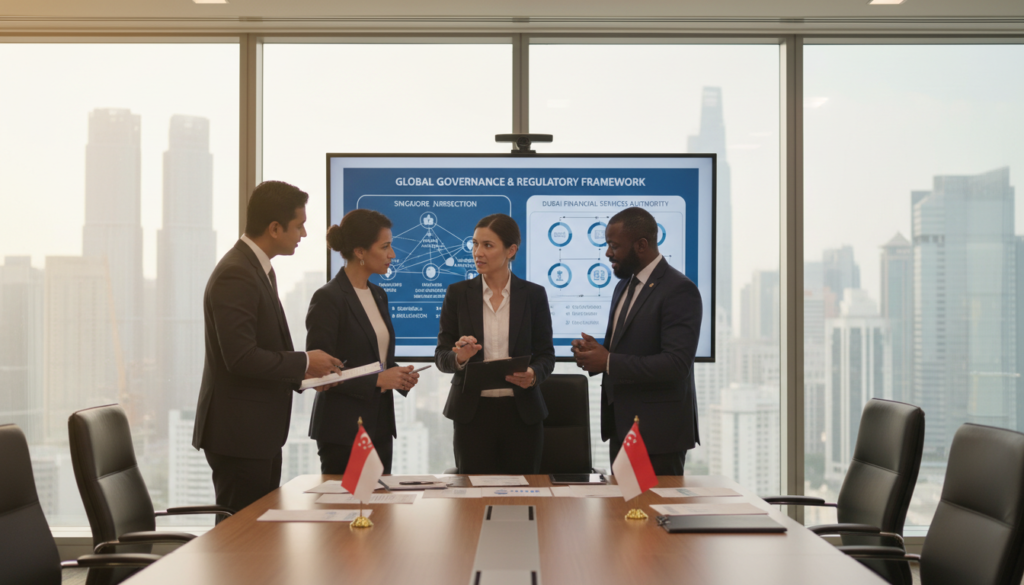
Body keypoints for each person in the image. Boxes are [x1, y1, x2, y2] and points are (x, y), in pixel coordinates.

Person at [193, 180, 343, 513]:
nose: (304, 234)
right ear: (274, 228)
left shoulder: (257, 268)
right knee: (240, 535)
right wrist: (305, 362)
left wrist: (307, 376)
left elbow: (261, 348)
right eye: (299, 226)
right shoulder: (237, 273)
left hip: (255, 433)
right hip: (239, 435)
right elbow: (241, 357)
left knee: (256, 530)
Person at [572, 207, 702, 476]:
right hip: (622, 428)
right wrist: (594, 353)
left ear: (641, 245)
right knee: (622, 503)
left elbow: (676, 364)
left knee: (651, 505)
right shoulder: (623, 285)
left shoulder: (679, 289)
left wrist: (608, 361)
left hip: (657, 436)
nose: (607, 253)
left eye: (614, 246)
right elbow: (620, 350)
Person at [435, 214, 555, 474]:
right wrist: (460, 357)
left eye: (487, 245)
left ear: (511, 250)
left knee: (524, 492)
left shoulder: (533, 295)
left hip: (522, 414)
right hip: (472, 415)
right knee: (473, 493)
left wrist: (533, 374)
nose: (477, 252)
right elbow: (442, 356)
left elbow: (546, 355)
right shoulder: (457, 294)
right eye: (475, 244)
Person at [306, 209, 420, 474]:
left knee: (380, 499)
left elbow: (376, 358)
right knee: (350, 501)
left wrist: (399, 376)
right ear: (359, 251)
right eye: (385, 246)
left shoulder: (378, 294)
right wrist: (378, 380)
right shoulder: (328, 298)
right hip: (344, 429)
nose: (393, 254)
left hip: (380, 425)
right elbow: (320, 374)